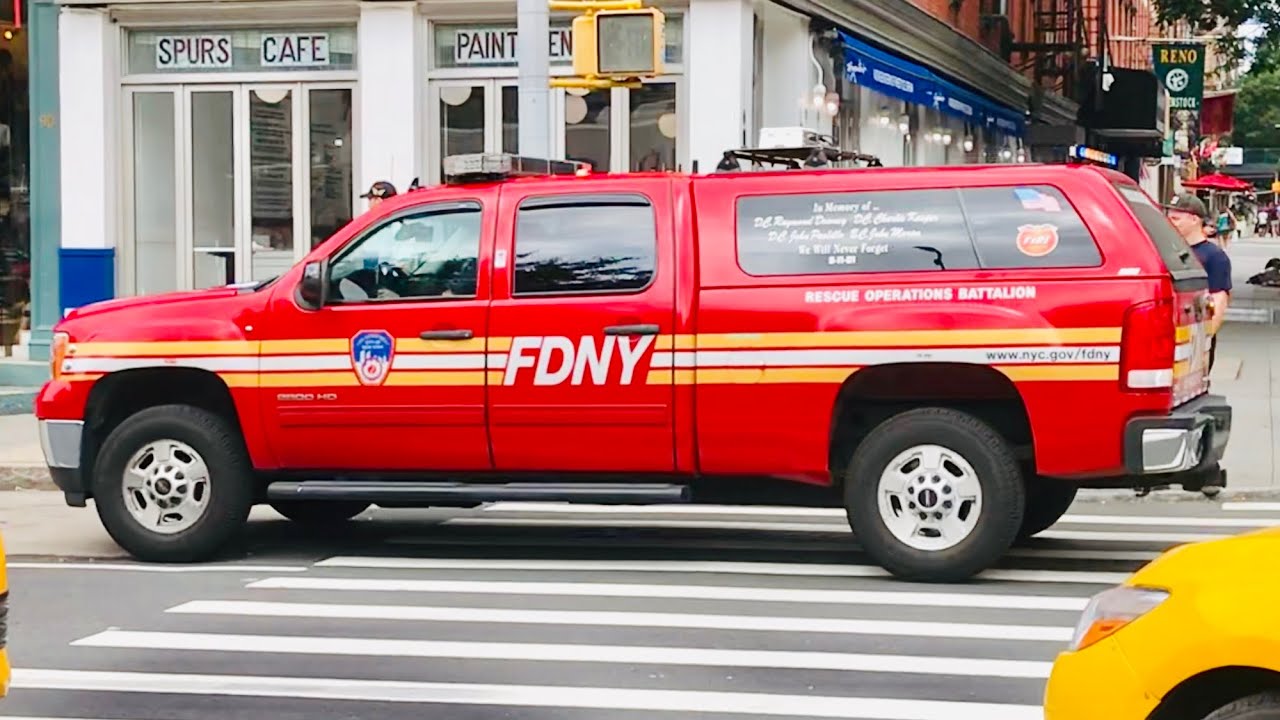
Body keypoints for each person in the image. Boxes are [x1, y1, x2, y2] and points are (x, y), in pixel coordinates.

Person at [1166, 192, 1232, 371]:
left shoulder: (1215, 257)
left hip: (1196, 337)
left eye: (1176, 218)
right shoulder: (1166, 251)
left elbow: (1219, 299)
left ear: (1194, 219)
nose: (1170, 222)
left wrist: (1206, 339)